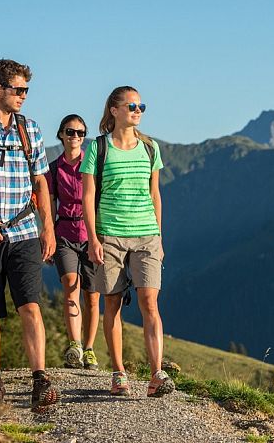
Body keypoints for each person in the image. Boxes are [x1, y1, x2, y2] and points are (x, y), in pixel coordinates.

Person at [81, 85, 175, 397]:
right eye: (132, 106)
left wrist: (159, 237)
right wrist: (93, 238)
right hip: (110, 236)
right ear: (114, 110)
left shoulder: (151, 149)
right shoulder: (98, 148)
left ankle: (156, 374)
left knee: (151, 303)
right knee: (113, 303)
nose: (138, 111)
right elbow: (88, 196)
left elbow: (155, 195)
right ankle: (119, 372)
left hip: (147, 235)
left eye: (141, 106)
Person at [0, 58, 60, 411]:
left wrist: (47, 226)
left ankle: (40, 379)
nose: (23, 95)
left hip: (23, 231)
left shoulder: (29, 129)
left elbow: (41, 181)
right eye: (18, 89)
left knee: (30, 305)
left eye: (26, 90)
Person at [46, 115, 100, 370]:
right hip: (65, 232)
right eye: (70, 131)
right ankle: (75, 344)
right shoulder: (54, 169)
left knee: (92, 295)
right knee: (70, 285)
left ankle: (89, 349)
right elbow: (47, 206)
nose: (75, 136)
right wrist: (46, 238)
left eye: (80, 132)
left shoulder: (92, 166)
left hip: (92, 235)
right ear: (61, 134)